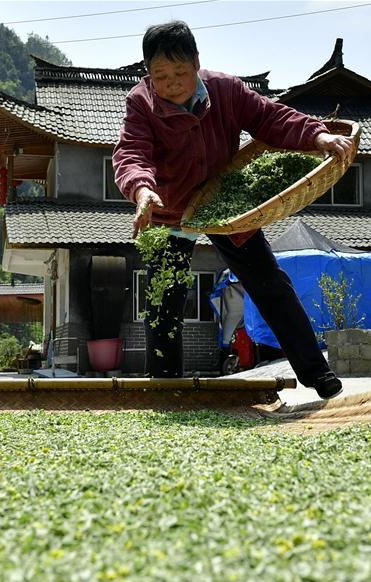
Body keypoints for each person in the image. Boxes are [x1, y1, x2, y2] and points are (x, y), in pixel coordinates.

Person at [112, 21, 353, 399]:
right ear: (148, 73)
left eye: (180, 72)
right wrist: (142, 190)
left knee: (269, 283)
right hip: (167, 207)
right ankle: (166, 390)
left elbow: (270, 118)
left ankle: (317, 373)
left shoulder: (225, 89)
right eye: (160, 76)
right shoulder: (140, 103)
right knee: (164, 301)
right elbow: (131, 153)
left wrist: (317, 134)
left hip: (222, 205)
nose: (171, 83)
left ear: (196, 62)